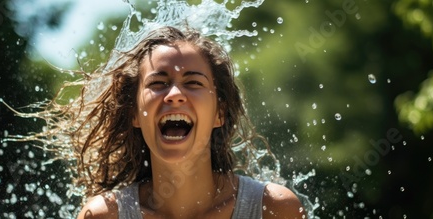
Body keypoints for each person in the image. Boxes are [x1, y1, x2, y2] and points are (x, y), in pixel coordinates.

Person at [70, 26, 305, 218]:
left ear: (219, 113)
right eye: (157, 83)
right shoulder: (104, 216)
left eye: (193, 83)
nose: (174, 94)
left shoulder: (274, 209)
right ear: (134, 113)